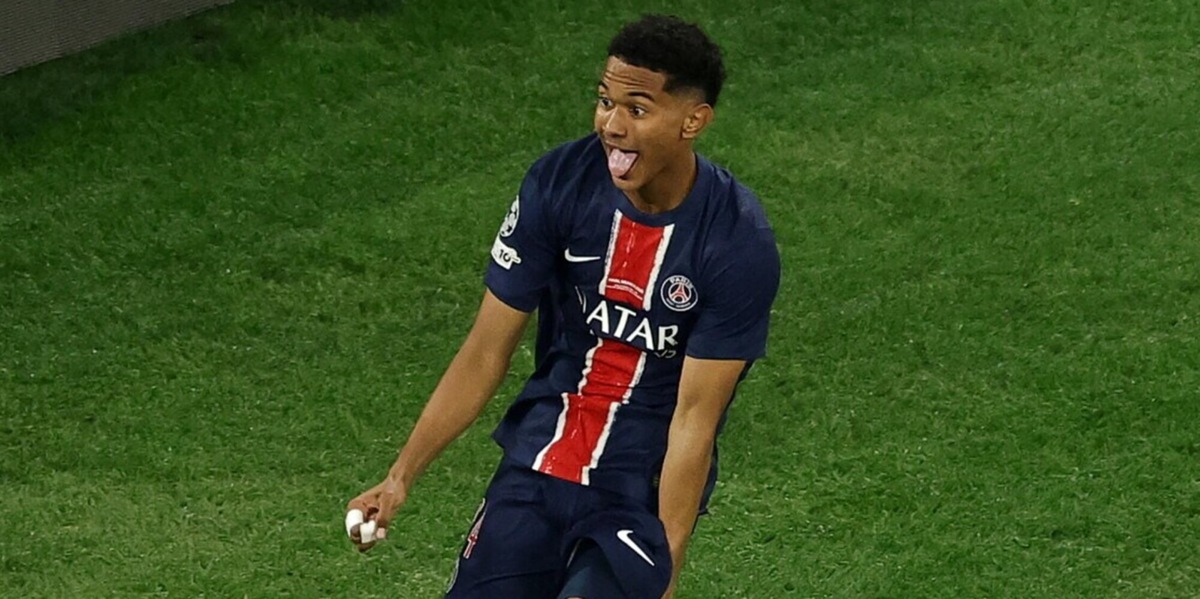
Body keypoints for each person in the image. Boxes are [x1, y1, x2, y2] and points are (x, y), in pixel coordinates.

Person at [346, 14, 780, 599]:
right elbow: (484, 351)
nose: (612, 126)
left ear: (693, 121)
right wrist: (400, 477)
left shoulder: (736, 240)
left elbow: (694, 420)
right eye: (605, 102)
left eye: (637, 109)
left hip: (638, 488)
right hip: (538, 461)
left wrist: (667, 563)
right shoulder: (559, 183)